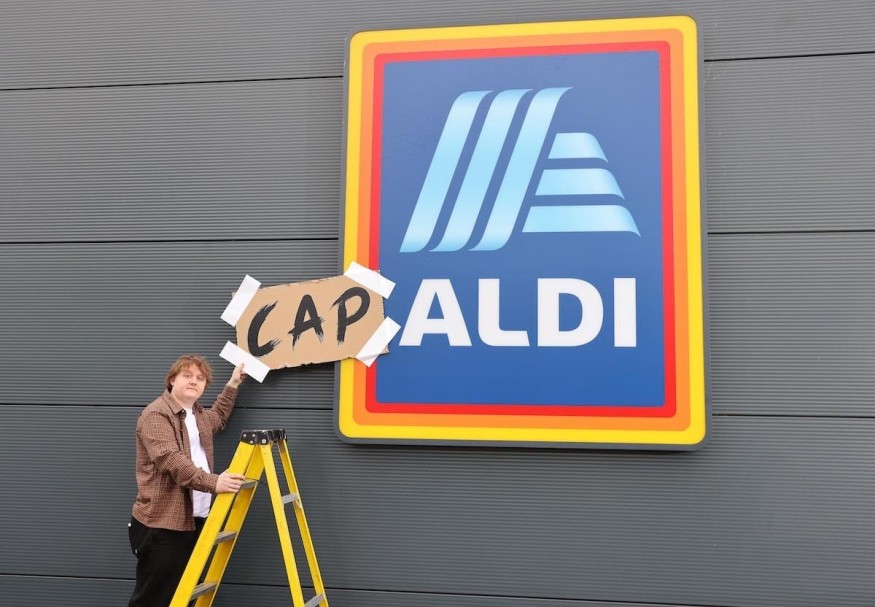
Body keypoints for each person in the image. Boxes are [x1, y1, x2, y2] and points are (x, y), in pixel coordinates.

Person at [127, 354, 247, 607]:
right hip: (163, 526)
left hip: (194, 520)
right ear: (172, 380)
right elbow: (171, 461)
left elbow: (219, 416)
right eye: (188, 375)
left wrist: (233, 383)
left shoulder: (197, 415)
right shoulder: (156, 415)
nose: (194, 381)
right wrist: (214, 483)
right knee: (154, 600)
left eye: (200, 378)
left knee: (183, 597)